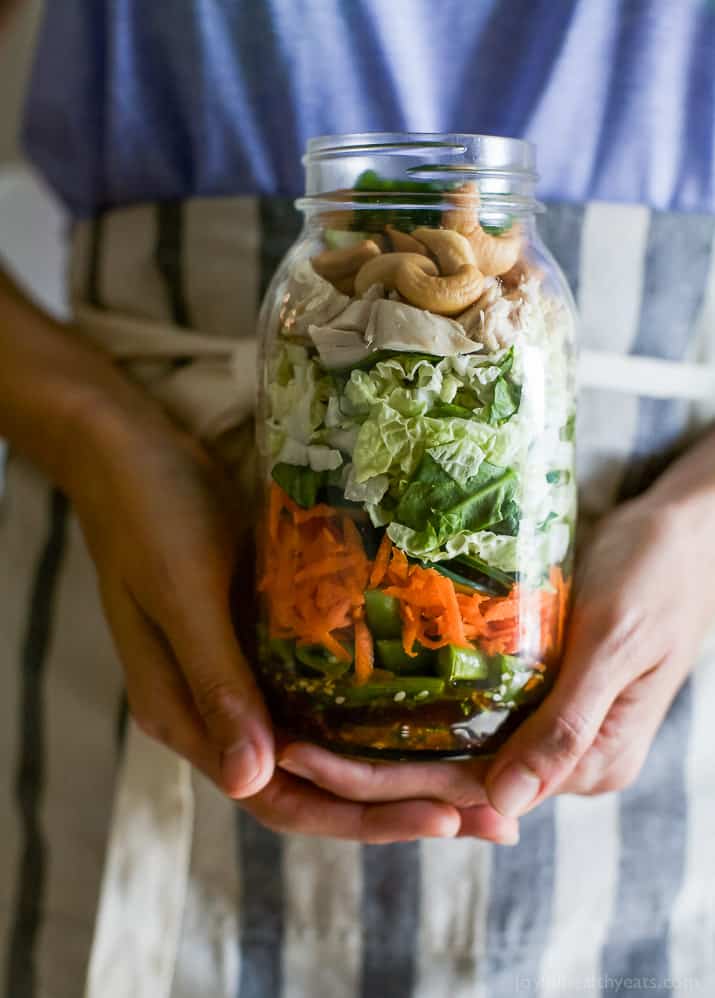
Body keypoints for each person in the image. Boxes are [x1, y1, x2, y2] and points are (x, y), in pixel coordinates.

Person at [1, 1, 714, 996]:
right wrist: (99, 438)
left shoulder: (525, 285)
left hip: (648, 663)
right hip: (140, 589)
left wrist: (701, 520)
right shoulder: (306, 282)